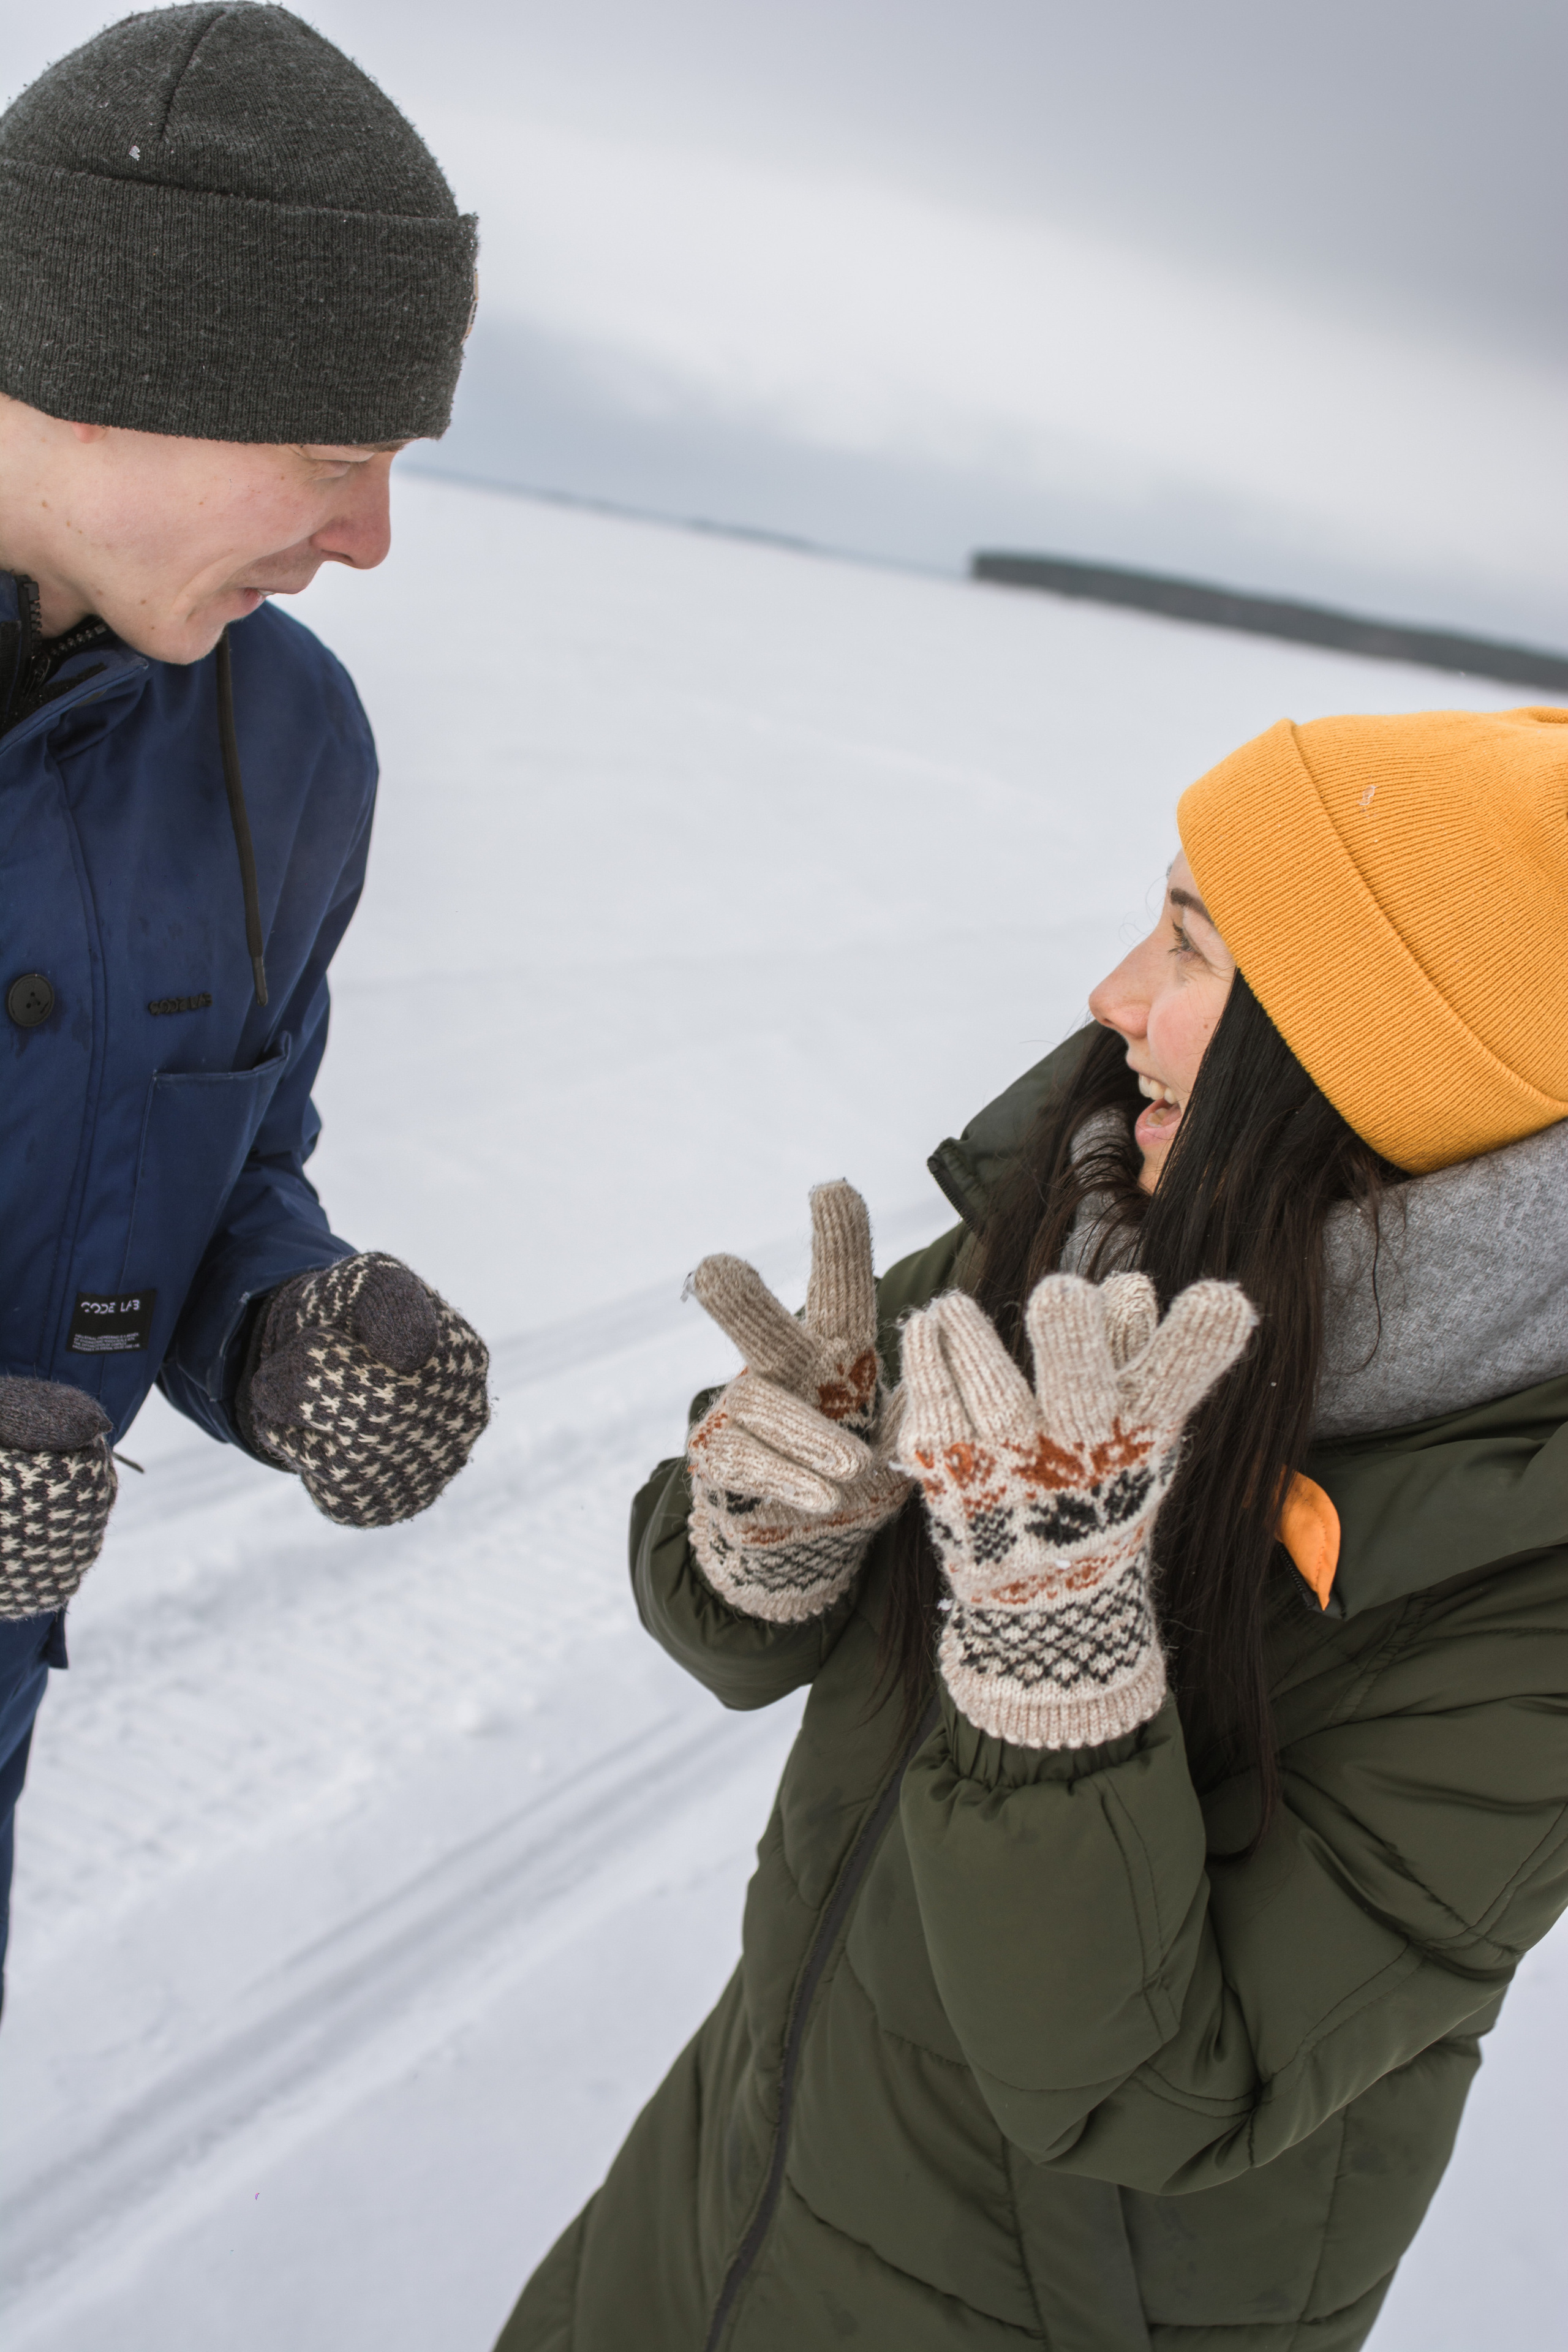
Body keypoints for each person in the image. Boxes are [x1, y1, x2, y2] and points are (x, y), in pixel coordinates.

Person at [499, 705, 1568, 2351]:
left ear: (1374, 1048)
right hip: (733, 2191)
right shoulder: (1081, 1236)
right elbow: (721, 1635)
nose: (1114, 996)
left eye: (1191, 948)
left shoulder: (1530, 1576)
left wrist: (1057, 1675)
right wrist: (764, 1532)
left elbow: (1145, 2096)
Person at [0, 4, 491, 2003]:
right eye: (334, 455)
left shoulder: (285, 744)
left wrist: (275, 1320)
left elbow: (224, 1143)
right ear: (106, 371)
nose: (367, 538)